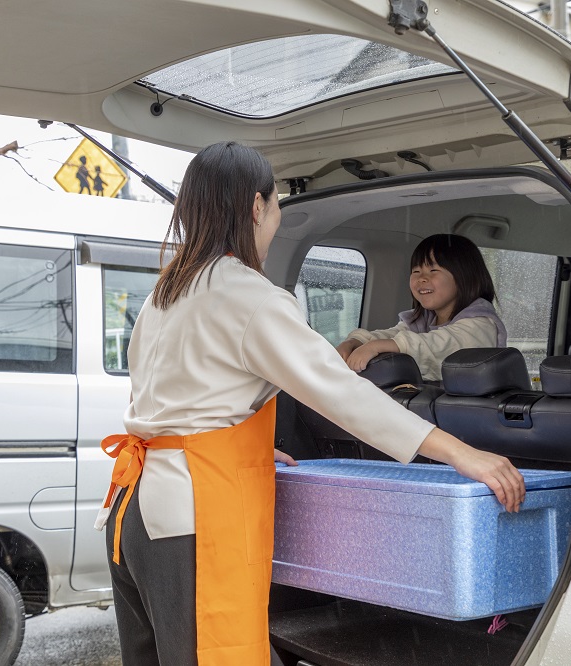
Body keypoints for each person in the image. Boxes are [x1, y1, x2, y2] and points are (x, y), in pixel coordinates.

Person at [95, 142, 525, 666]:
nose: (275, 216)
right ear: (257, 206)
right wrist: (463, 453)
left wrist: (236, 450)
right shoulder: (248, 294)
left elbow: (169, 400)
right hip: (191, 508)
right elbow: (339, 392)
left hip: (134, 505)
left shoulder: (169, 288)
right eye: (277, 205)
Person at [337, 233, 507, 381]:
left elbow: (437, 347)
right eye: (416, 271)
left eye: (433, 271)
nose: (421, 278)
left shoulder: (480, 324)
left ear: (465, 276)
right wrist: (356, 341)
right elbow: (393, 334)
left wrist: (377, 347)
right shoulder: (423, 320)